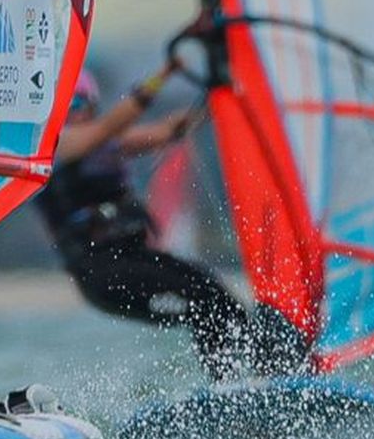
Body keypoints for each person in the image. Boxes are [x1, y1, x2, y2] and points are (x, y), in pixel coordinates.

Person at [36, 65, 278, 380]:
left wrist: (216, 92)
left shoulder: (109, 145)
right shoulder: (53, 148)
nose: (73, 113)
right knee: (205, 299)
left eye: (80, 104)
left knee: (216, 299)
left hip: (134, 260)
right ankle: (231, 386)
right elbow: (108, 127)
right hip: (102, 274)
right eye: (66, 107)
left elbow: (167, 130)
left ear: (93, 106)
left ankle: (255, 378)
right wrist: (166, 72)